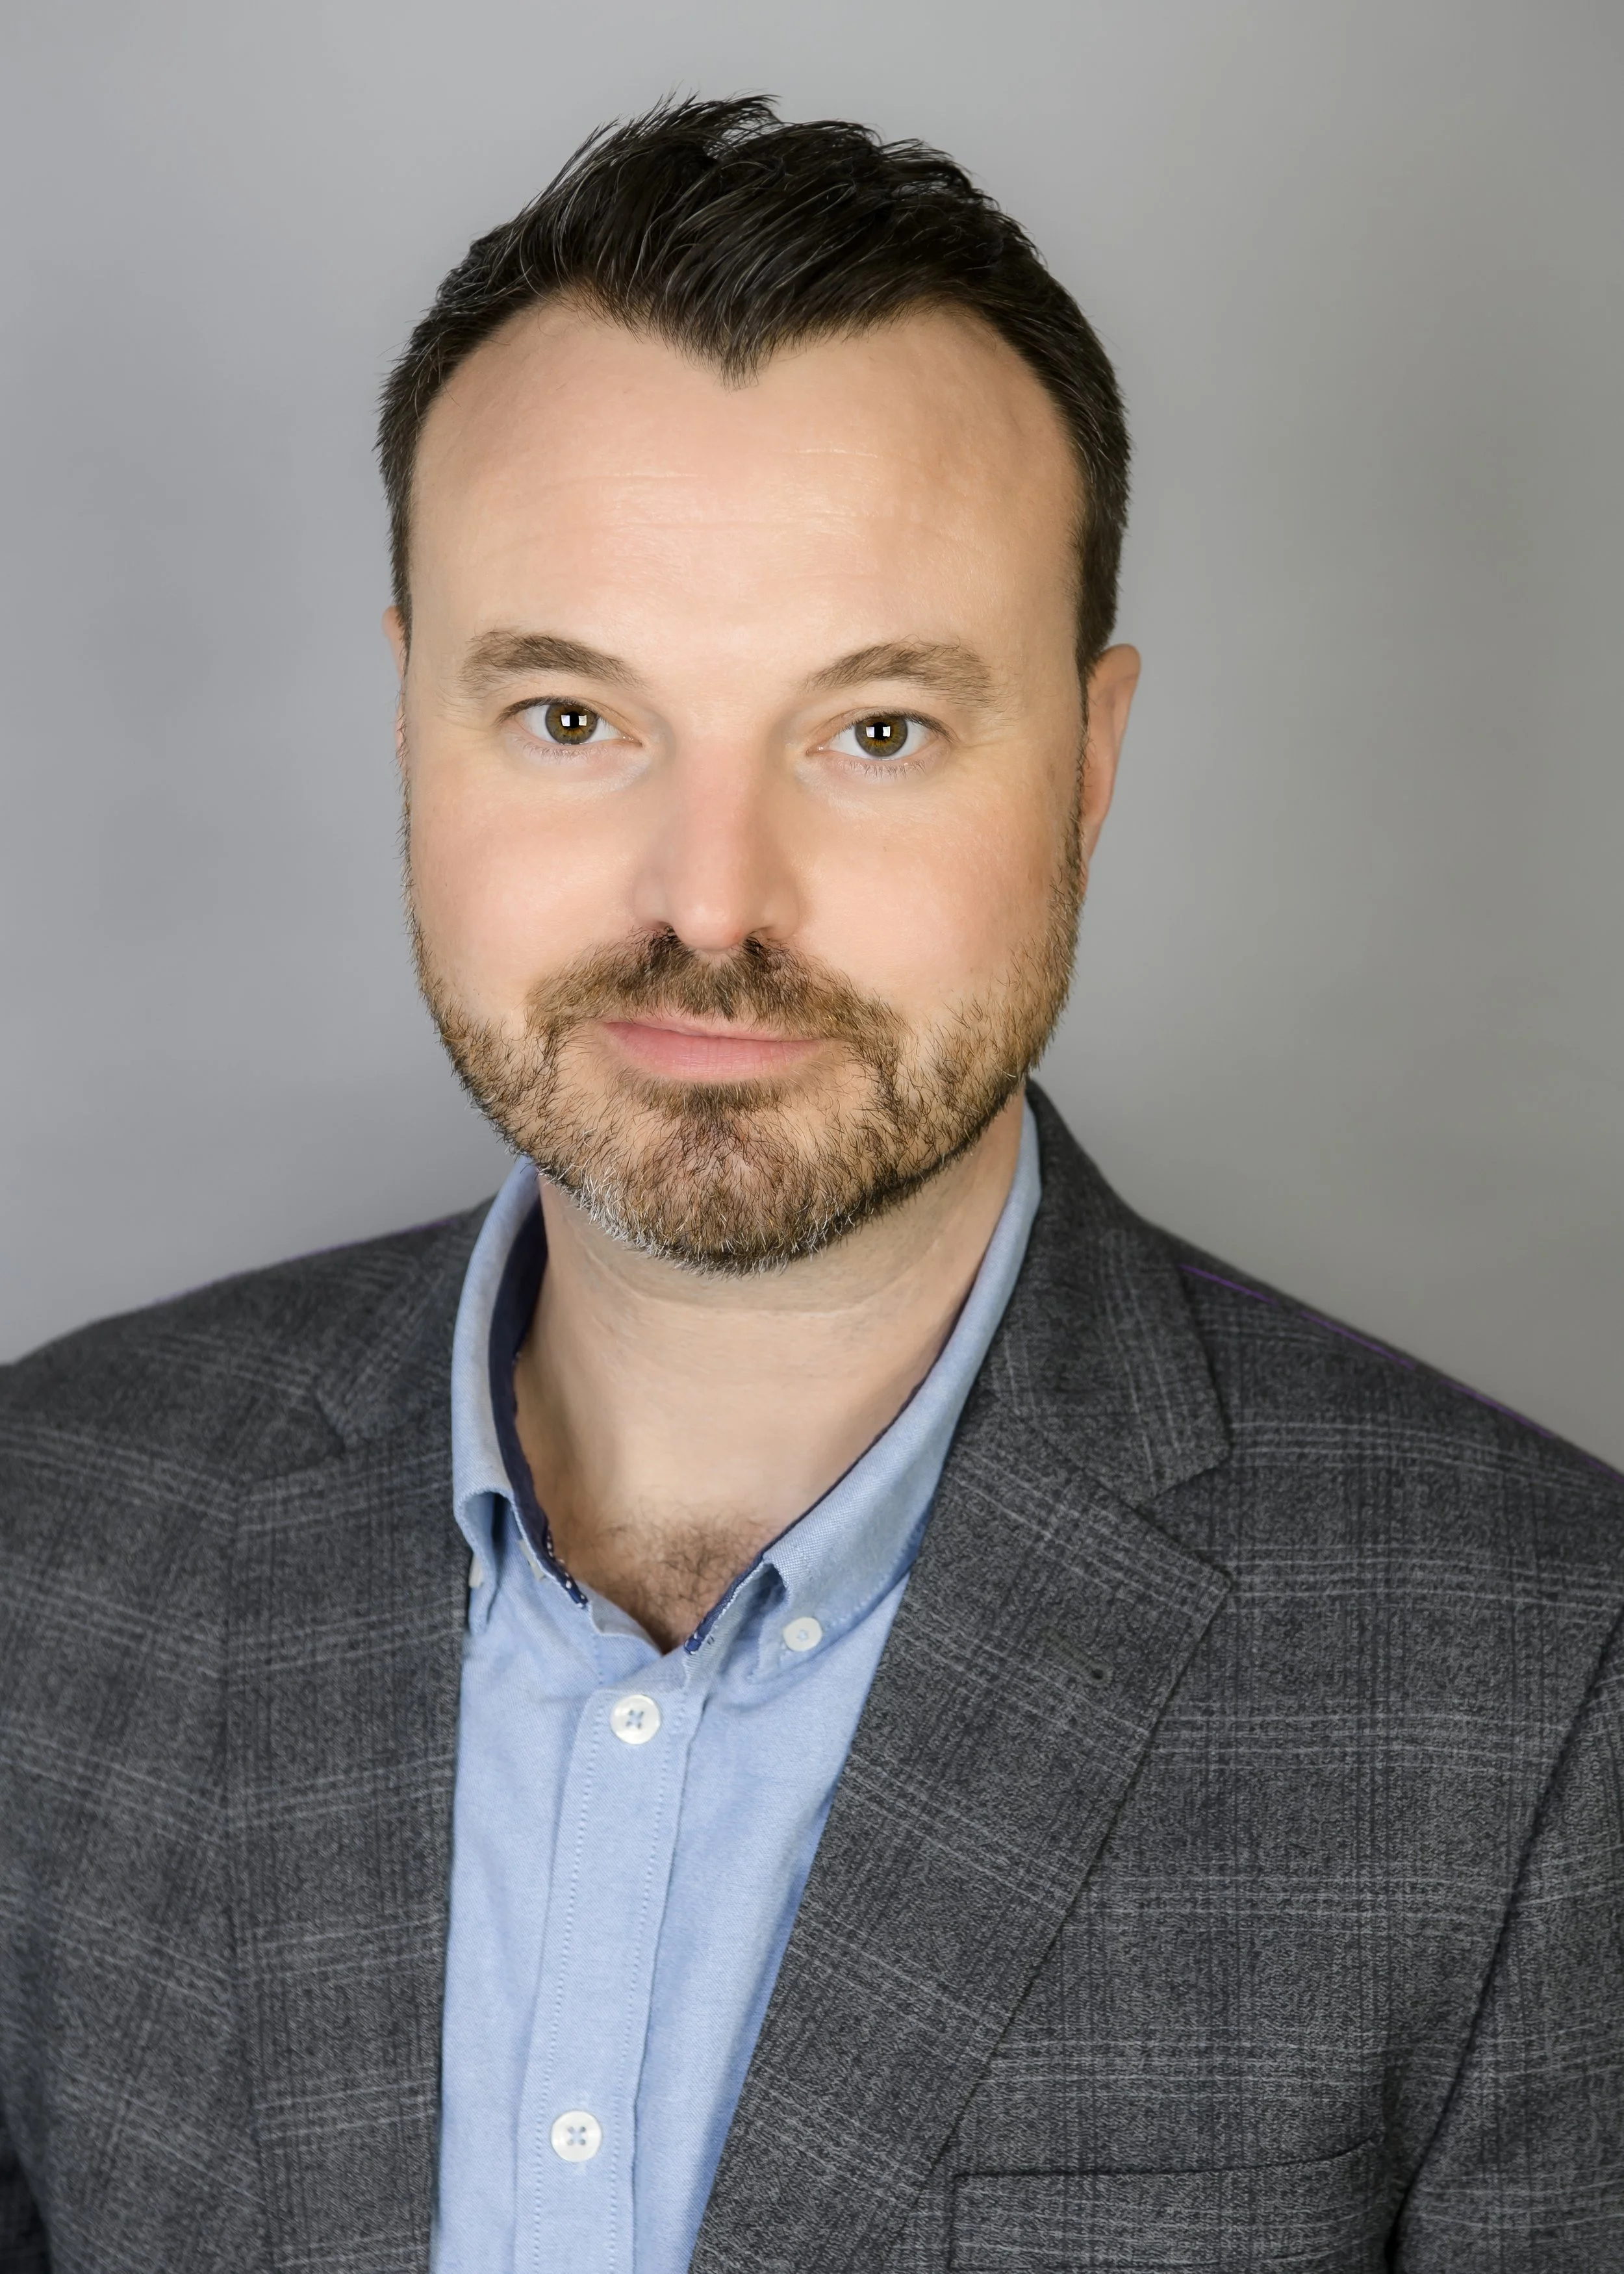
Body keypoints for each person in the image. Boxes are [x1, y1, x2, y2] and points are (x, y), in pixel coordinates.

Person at [1, 93, 1619, 2274]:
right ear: (406, 723)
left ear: (1089, 764)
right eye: (569, 716)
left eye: (875, 731)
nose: (711, 900)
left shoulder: (1542, 1676)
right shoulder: (46, 1533)